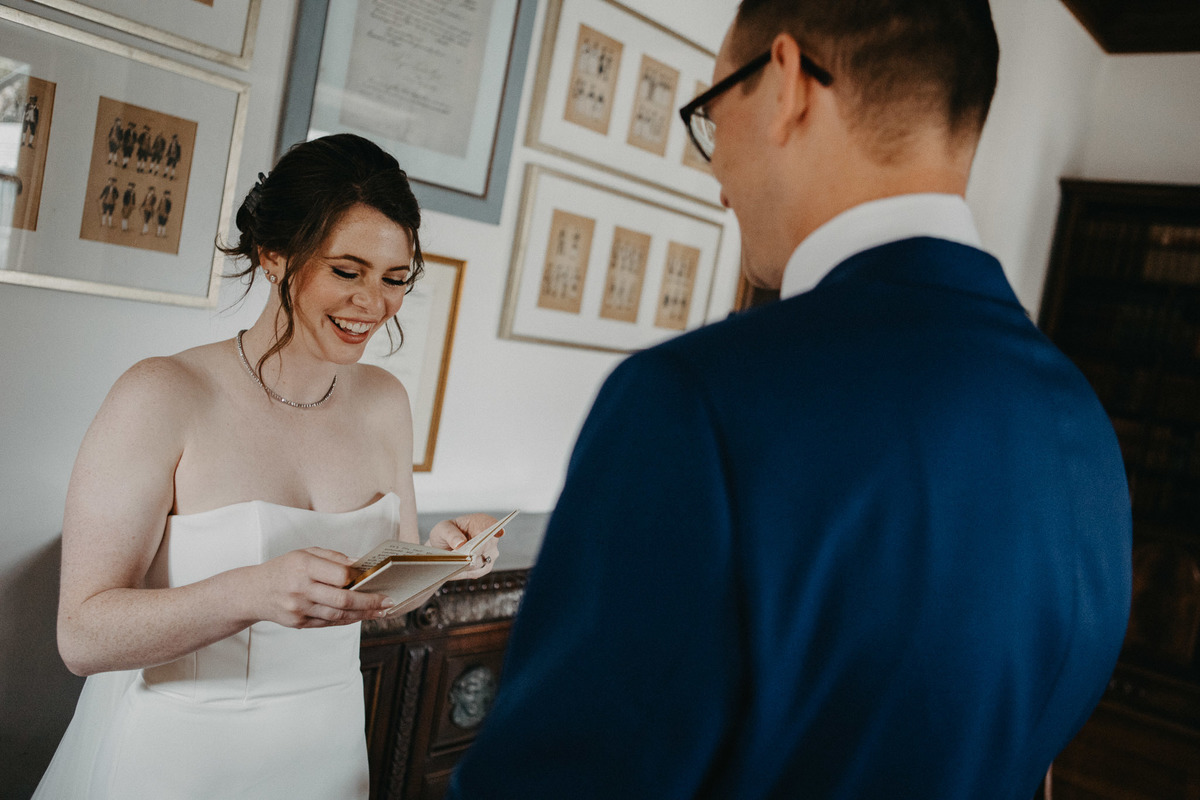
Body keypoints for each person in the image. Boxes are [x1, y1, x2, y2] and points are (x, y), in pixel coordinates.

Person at [448, 2, 1131, 799]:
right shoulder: (1082, 423)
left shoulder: (696, 404)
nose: (715, 176)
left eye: (710, 115)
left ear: (787, 84)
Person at [35, 133, 501, 799]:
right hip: (180, 761)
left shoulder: (384, 402)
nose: (373, 304)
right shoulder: (162, 394)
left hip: (326, 753)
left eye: (395, 279)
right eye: (347, 271)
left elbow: (384, 602)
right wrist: (248, 593)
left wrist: (444, 556)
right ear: (274, 256)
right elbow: (81, 636)